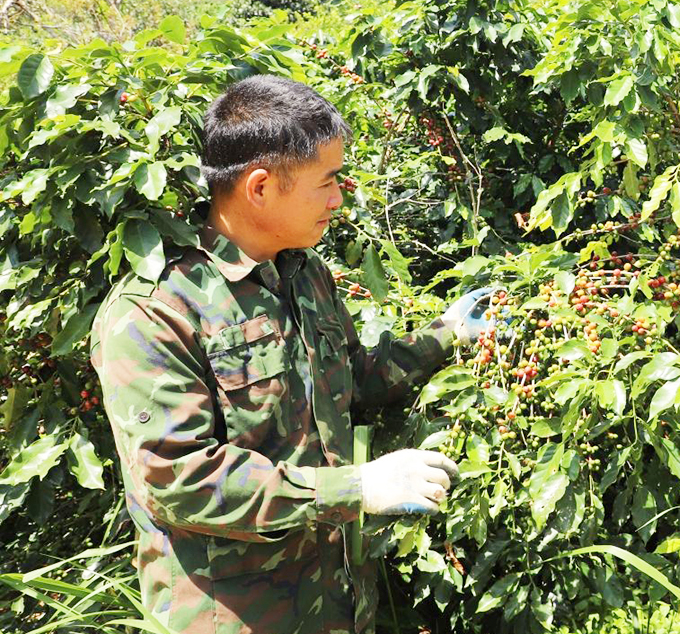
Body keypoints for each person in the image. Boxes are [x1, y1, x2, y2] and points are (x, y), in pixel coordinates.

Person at [90, 75, 493, 634]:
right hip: (238, 617)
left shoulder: (303, 272)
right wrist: (359, 487)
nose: (339, 198)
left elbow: (348, 379)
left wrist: (445, 334)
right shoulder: (156, 311)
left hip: (337, 603)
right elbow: (177, 481)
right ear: (259, 187)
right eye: (326, 182)